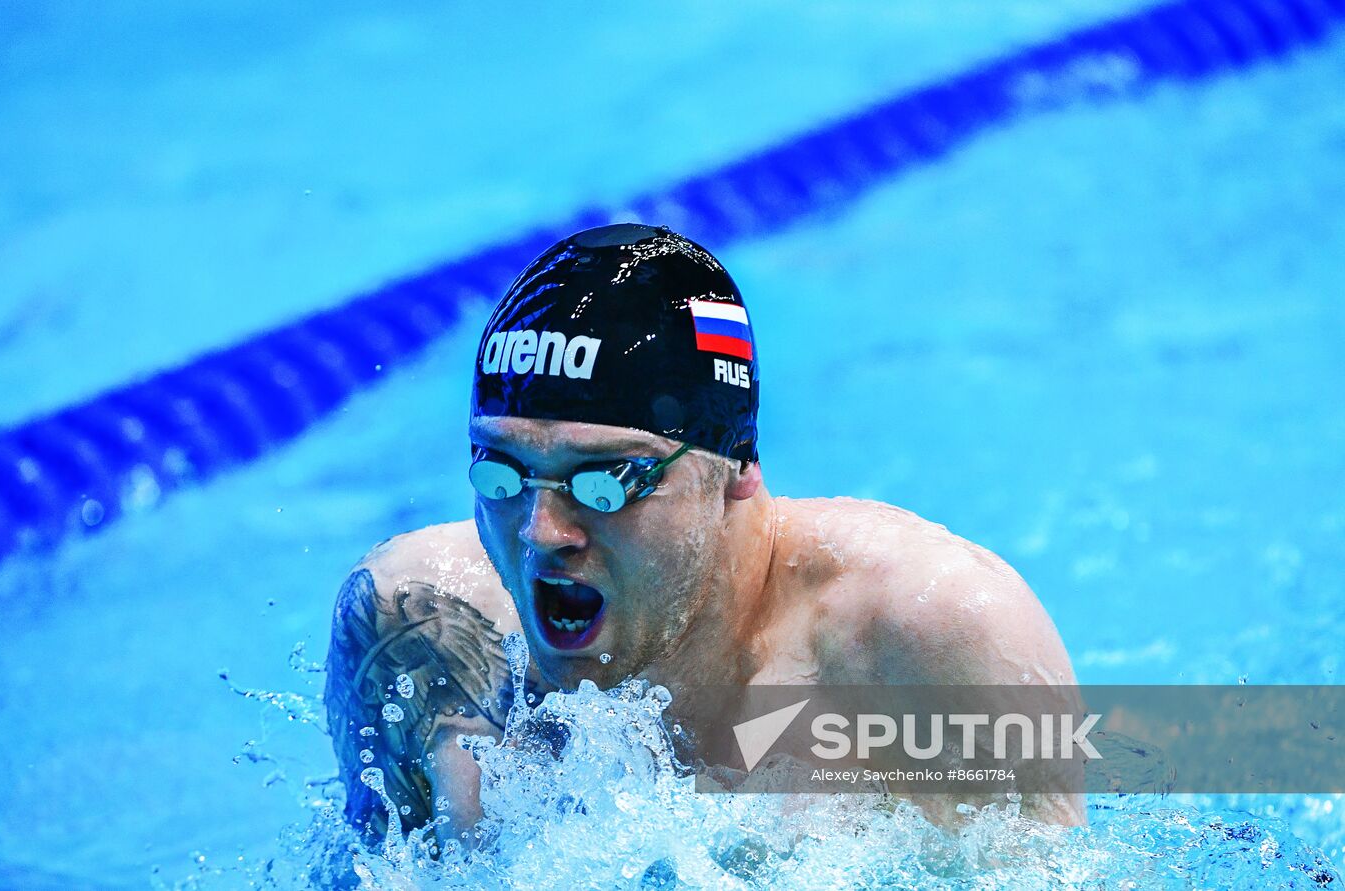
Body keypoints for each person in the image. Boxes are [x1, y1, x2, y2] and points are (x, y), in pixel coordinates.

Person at [323, 223, 1081, 848]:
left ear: (738, 463)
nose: (541, 531)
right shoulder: (415, 628)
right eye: (505, 472)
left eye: (607, 480)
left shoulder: (926, 640)